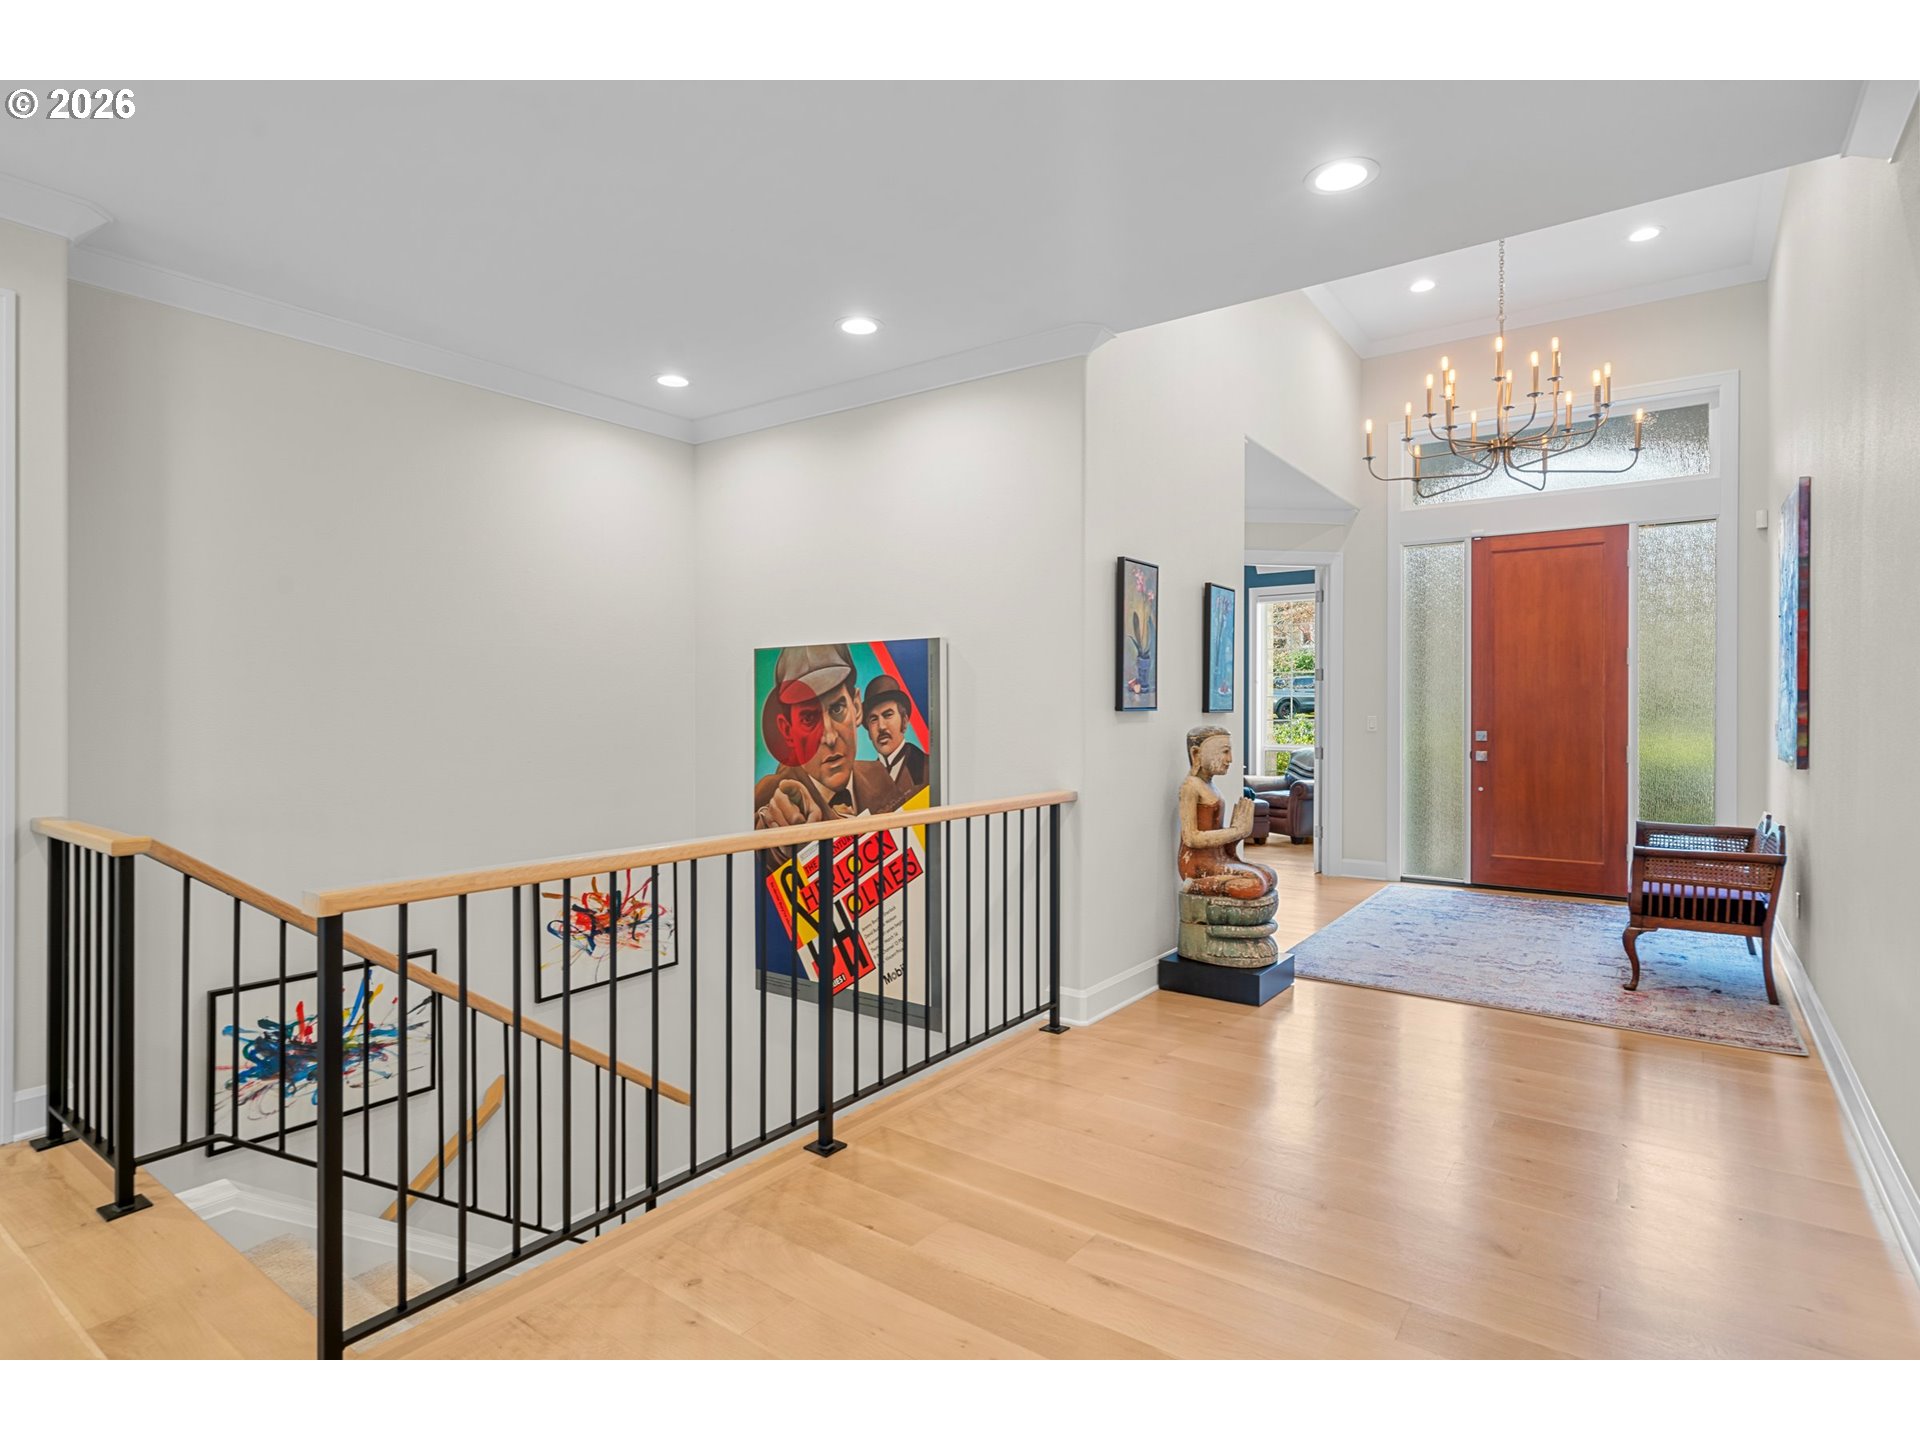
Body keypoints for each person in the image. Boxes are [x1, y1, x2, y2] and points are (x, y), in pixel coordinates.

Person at [754, 644, 904, 832]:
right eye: (808, 719)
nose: (830, 737)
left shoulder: (878, 775)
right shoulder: (769, 795)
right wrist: (771, 825)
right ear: (788, 731)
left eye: (837, 709)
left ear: (857, 708)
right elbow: (764, 820)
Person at [1177, 725, 1276, 900]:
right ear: (1196, 754)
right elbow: (1191, 838)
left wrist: (1239, 832)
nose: (1230, 759)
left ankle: (1210, 883)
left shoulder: (1210, 785)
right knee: (1256, 883)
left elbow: (1220, 844)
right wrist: (1235, 831)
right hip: (1197, 864)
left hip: (1218, 859)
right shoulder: (1190, 786)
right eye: (1224, 752)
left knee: (1269, 876)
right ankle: (1196, 885)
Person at [861, 673, 929, 797]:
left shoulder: (928, 768)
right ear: (869, 732)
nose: (881, 726)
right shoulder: (862, 783)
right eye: (873, 719)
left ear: (904, 721)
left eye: (888, 715)